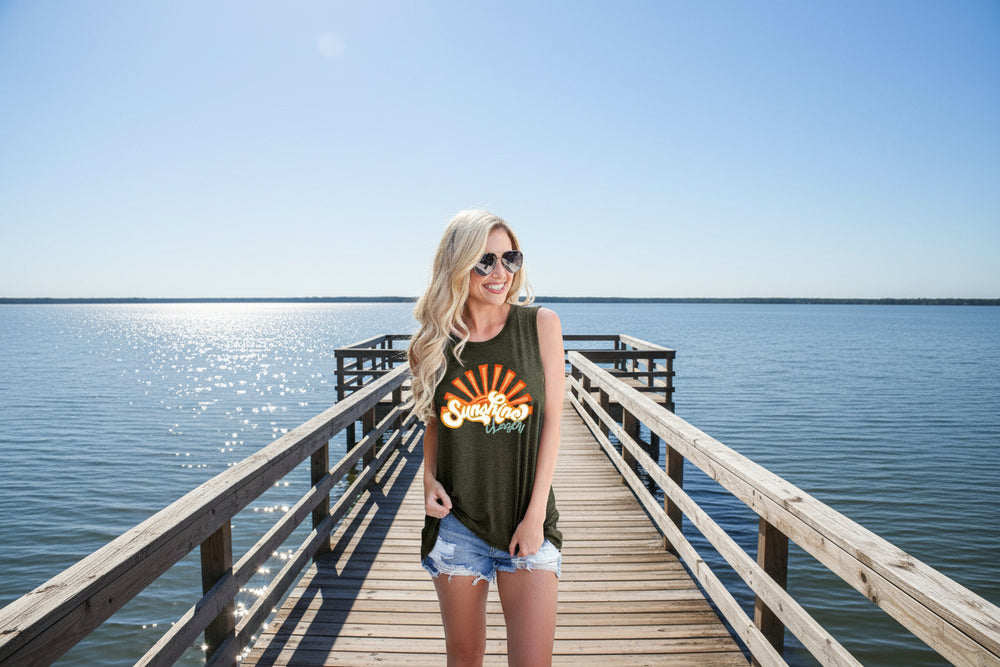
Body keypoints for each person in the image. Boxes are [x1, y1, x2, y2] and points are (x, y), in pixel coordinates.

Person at [408, 210, 564, 667]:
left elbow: (554, 421)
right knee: (464, 659)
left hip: (527, 519)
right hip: (458, 524)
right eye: (485, 261)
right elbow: (435, 422)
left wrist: (535, 517)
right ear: (456, 266)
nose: (501, 273)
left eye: (509, 258)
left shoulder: (540, 325)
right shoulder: (431, 344)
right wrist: (428, 480)